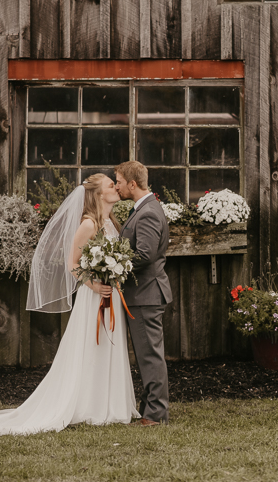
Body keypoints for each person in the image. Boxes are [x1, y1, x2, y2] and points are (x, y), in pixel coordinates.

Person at [0, 174, 140, 435]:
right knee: (93, 347)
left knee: (109, 346)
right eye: (110, 185)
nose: (116, 187)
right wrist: (95, 285)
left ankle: (111, 405)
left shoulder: (111, 223)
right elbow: (72, 265)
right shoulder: (89, 225)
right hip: (94, 298)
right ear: (99, 195)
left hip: (111, 294)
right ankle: (88, 406)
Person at [115, 161, 173, 426]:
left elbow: (146, 255)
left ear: (132, 184)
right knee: (147, 354)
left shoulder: (148, 212)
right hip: (143, 294)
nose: (116, 186)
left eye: (118, 181)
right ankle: (149, 407)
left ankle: (155, 414)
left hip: (146, 294)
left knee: (150, 356)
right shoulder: (144, 208)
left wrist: (114, 263)